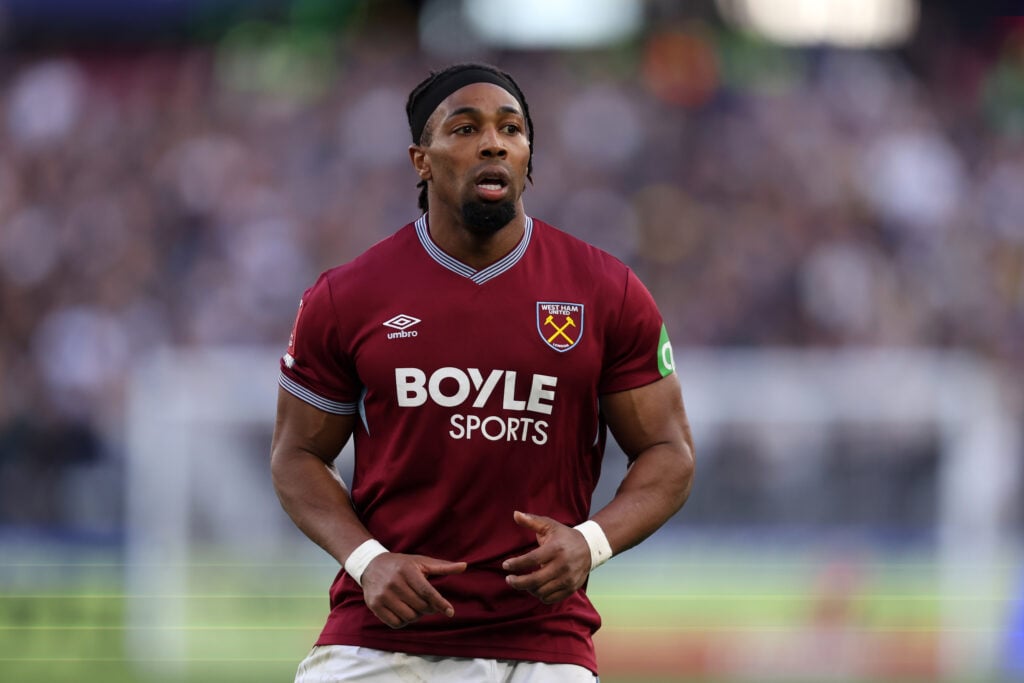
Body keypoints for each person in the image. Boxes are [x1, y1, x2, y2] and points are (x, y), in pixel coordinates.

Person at [270, 62, 695, 682]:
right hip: (384, 643)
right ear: (421, 159)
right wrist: (368, 560)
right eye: (464, 128)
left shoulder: (607, 292)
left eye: (511, 129)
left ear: (526, 156)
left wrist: (590, 542)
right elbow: (295, 456)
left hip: (546, 648)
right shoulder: (349, 296)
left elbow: (669, 451)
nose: (493, 142)